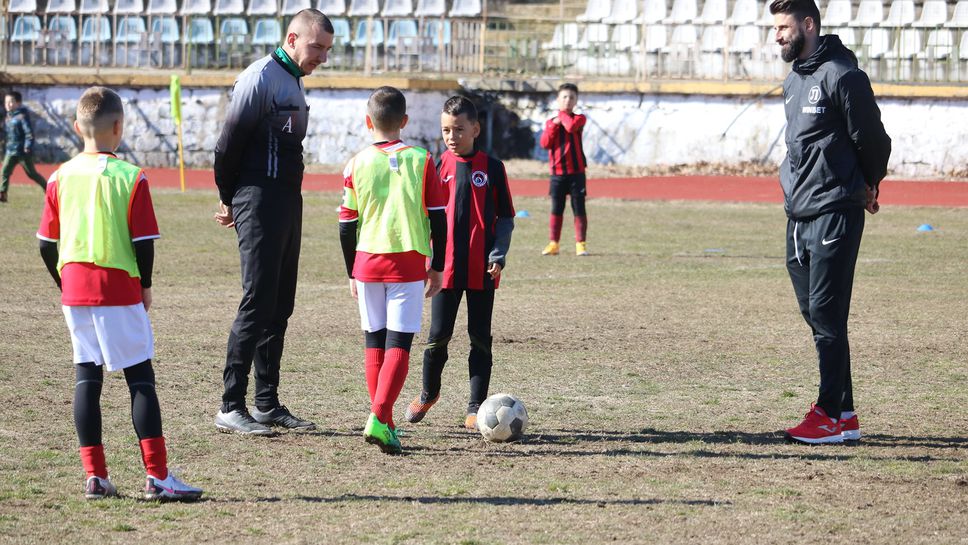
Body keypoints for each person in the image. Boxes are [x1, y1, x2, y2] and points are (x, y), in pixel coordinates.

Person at [36, 86, 202, 501]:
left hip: (74, 290)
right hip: (118, 288)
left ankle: (95, 477)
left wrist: (65, 283)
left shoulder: (58, 177)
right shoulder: (131, 177)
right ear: (119, 128)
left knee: (86, 379)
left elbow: (45, 244)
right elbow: (143, 241)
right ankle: (158, 476)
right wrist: (145, 285)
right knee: (140, 379)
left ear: (77, 128)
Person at [770, 0, 891, 444]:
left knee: (826, 311)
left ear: (808, 24)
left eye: (784, 27)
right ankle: (844, 413)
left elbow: (873, 138)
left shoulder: (843, 75)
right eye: (775, 28)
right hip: (798, 212)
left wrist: (870, 183)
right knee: (818, 314)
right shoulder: (793, 81)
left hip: (835, 207)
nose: (778, 36)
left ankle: (825, 414)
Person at [213, 9, 334, 435]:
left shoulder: (294, 81)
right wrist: (229, 199)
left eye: (326, 50)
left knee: (281, 304)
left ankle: (266, 403)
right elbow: (227, 146)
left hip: (286, 198)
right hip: (257, 196)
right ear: (293, 37)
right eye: (316, 46)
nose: (321, 56)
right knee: (258, 299)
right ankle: (231, 405)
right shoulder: (260, 77)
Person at [339, 86, 448, 454]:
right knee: (399, 343)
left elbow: (346, 223)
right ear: (405, 121)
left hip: (367, 260)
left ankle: (382, 422)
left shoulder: (355, 163)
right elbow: (438, 217)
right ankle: (380, 418)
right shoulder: (422, 159)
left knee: (375, 342)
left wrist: (351, 270)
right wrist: (438, 265)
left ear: (368, 122)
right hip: (407, 260)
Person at [404, 96, 515, 431]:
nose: (451, 136)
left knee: (480, 338)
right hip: (445, 269)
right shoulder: (434, 166)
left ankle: (476, 406)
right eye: (445, 130)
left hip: (483, 269)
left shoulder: (493, 168)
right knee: (437, 336)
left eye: (459, 129)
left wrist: (498, 255)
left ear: (476, 129)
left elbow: (506, 217)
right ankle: (428, 392)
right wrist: (426, 259)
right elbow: (425, 218)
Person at [539, 83, 588, 257]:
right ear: (558, 100)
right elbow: (544, 143)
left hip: (577, 172)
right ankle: (554, 244)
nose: (568, 100)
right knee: (556, 209)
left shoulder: (579, 119)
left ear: (576, 101)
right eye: (564, 97)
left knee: (578, 208)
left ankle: (580, 244)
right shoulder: (551, 123)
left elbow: (571, 127)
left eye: (571, 97)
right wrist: (553, 124)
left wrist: (561, 116)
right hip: (557, 174)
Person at [1, 90, 49, 202]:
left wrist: (27, 146)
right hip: (10, 150)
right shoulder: (8, 117)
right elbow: (6, 133)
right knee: (4, 171)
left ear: (18, 103)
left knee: (32, 174)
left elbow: (29, 133)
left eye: (11, 102)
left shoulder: (22, 117)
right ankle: (3, 194)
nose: (8, 104)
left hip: (22, 151)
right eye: (6, 102)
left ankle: (49, 189)